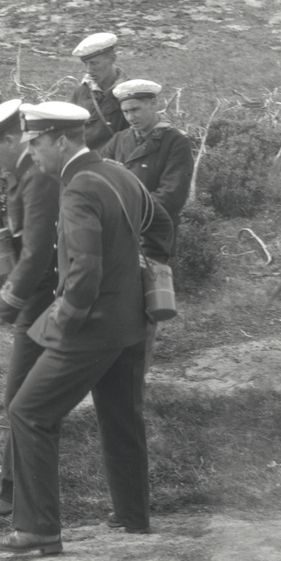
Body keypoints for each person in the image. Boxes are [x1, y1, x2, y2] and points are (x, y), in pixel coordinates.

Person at [0, 102, 153, 555]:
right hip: (133, 322)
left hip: (92, 327)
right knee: (121, 416)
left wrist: (63, 322)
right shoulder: (119, 172)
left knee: (28, 412)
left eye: (37, 144)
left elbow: (85, 271)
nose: (33, 154)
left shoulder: (77, 187)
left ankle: (38, 530)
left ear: (61, 140)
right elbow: (161, 226)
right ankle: (133, 515)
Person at [0, 99, 61, 518]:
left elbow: (37, 253)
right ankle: (13, 492)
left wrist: (2, 308)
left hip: (44, 302)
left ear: (6, 139)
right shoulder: (22, 174)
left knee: (22, 398)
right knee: (26, 398)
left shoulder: (36, 176)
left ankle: (21, 498)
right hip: (38, 300)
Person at [103, 78, 193, 364]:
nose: (131, 117)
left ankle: (138, 374)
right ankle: (120, 368)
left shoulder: (175, 142)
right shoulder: (119, 141)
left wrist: (127, 214)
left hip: (152, 239)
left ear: (153, 104)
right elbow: (100, 181)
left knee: (148, 306)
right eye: (126, 112)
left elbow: (171, 196)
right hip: (118, 238)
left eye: (136, 109)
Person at [68, 32, 130, 152]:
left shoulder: (129, 93)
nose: (88, 70)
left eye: (94, 63)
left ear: (112, 59)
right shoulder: (81, 92)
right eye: (85, 64)